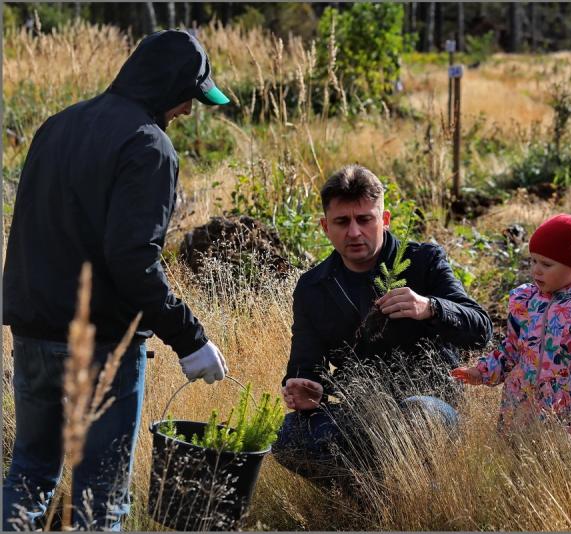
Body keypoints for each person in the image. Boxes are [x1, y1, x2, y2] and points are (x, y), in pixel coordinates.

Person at [3, 30, 232, 531]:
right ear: (169, 84)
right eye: (189, 97)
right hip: (101, 344)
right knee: (100, 498)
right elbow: (133, 260)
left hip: (33, 334)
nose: (189, 111)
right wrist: (191, 339)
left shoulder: (57, 126)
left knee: (31, 474)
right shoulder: (149, 146)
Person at [273, 164, 492, 490]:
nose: (354, 232)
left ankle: (417, 498)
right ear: (325, 227)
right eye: (342, 222)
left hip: (432, 408)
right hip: (361, 415)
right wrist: (308, 387)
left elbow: (481, 329)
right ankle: (368, 501)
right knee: (289, 435)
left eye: (365, 219)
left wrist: (430, 307)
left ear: (384, 220)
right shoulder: (313, 287)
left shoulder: (423, 261)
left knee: (417, 413)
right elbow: (305, 359)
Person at [451, 214, 571, 443]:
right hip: (520, 402)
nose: (537, 270)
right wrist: (481, 372)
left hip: (570, 405)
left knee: (564, 467)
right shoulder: (526, 300)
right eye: (533, 261)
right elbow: (511, 350)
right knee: (518, 465)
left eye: (547, 264)